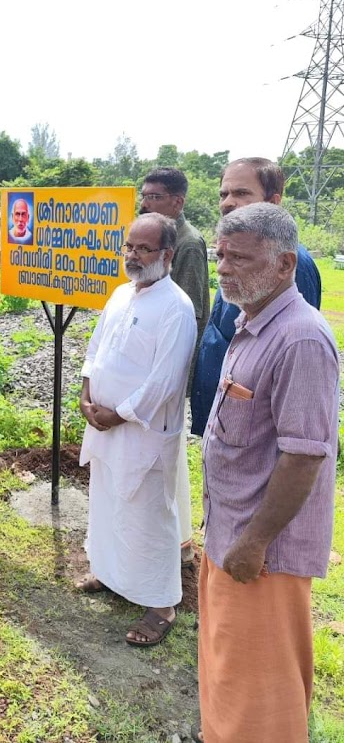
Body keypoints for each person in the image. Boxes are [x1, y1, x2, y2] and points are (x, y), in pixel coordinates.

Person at [195, 204, 338, 743]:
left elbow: (304, 456)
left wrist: (255, 542)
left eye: (239, 258)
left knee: (260, 690)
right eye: (221, 255)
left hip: (262, 553)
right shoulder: (250, 319)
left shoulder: (300, 338)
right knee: (228, 670)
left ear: (283, 264)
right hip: (230, 532)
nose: (224, 268)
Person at [77, 212, 197, 646]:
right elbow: (96, 348)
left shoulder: (176, 306)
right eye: (129, 246)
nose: (132, 255)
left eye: (142, 249)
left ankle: (162, 605)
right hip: (105, 425)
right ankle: (109, 574)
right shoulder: (120, 295)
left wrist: (118, 413)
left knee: (148, 515)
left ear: (166, 254)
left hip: (142, 430)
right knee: (107, 502)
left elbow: (166, 380)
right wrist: (87, 394)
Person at [191, 157, 321, 436]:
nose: (227, 202)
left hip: (254, 435)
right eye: (224, 194)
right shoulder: (235, 257)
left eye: (241, 193)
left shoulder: (294, 264)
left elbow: (294, 370)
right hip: (226, 426)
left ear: (273, 202)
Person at [139, 167, 209, 565]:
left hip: (167, 367)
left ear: (178, 201)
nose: (147, 202)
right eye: (145, 195)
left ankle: (176, 540)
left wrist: (173, 375)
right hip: (146, 364)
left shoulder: (188, 243)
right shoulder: (152, 237)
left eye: (156, 196)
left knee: (167, 451)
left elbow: (191, 313)